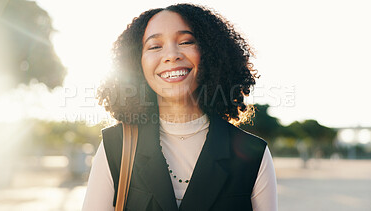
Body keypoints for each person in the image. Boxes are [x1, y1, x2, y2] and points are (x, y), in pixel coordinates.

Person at [83, 3, 277, 211]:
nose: (171, 55)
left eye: (186, 41)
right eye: (155, 46)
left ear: (211, 52)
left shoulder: (254, 155)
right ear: (136, 64)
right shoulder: (117, 147)